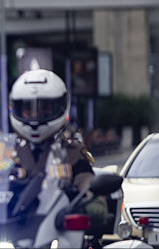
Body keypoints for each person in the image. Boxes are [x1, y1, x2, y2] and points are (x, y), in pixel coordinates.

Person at [8, 69, 107, 233]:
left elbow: (87, 184)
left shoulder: (72, 152)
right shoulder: (0, 151)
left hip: (58, 233)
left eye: (44, 108)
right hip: (9, 232)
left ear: (60, 107)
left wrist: (94, 204)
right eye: (28, 109)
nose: (35, 115)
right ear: (16, 108)